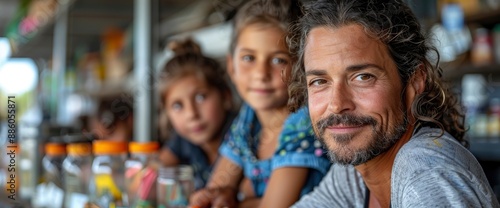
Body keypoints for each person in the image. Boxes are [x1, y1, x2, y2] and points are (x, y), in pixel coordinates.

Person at [287, 0, 500, 207]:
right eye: (319, 81)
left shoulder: (427, 174)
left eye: (363, 77)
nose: (337, 104)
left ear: (414, 83)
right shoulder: (353, 176)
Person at [189, 0, 331, 207]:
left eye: (278, 60)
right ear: (231, 66)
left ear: (300, 69)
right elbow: (216, 187)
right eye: (249, 58)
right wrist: (216, 195)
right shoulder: (250, 116)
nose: (260, 74)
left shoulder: (303, 123)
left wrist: (237, 200)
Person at [157, 38, 234, 190]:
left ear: (225, 96)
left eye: (200, 97)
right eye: (178, 105)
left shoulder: (241, 133)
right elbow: (152, 172)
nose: (191, 114)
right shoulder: (183, 141)